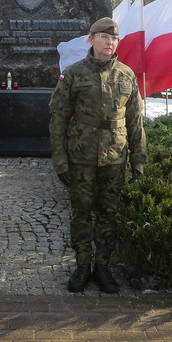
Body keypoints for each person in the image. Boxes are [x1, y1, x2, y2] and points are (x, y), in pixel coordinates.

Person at [48, 17, 146, 294]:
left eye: (114, 38)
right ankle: (82, 266)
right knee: (81, 212)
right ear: (91, 40)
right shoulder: (73, 73)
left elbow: (136, 121)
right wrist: (60, 160)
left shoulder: (127, 75)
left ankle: (103, 266)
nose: (109, 42)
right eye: (104, 37)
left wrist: (139, 159)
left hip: (115, 156)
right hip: (81, 155)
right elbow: (57, 118)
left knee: (108, 213)